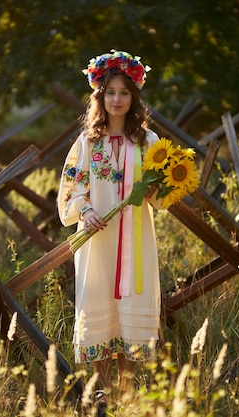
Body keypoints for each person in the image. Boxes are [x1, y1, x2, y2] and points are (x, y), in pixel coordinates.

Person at [57, 50, 162, 401]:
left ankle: (127, 392)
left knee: (130, 306)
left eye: (124, 92)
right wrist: (85, 210)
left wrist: (156, 191)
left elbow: (163, 195)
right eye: (111, 93)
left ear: (134, 97)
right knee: (98, 300)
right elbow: (73, 186)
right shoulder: (88, 142)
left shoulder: (148, 142)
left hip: (137, 239)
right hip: (97, 239)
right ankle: (104, 392)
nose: (117, 99)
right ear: (100, 97)